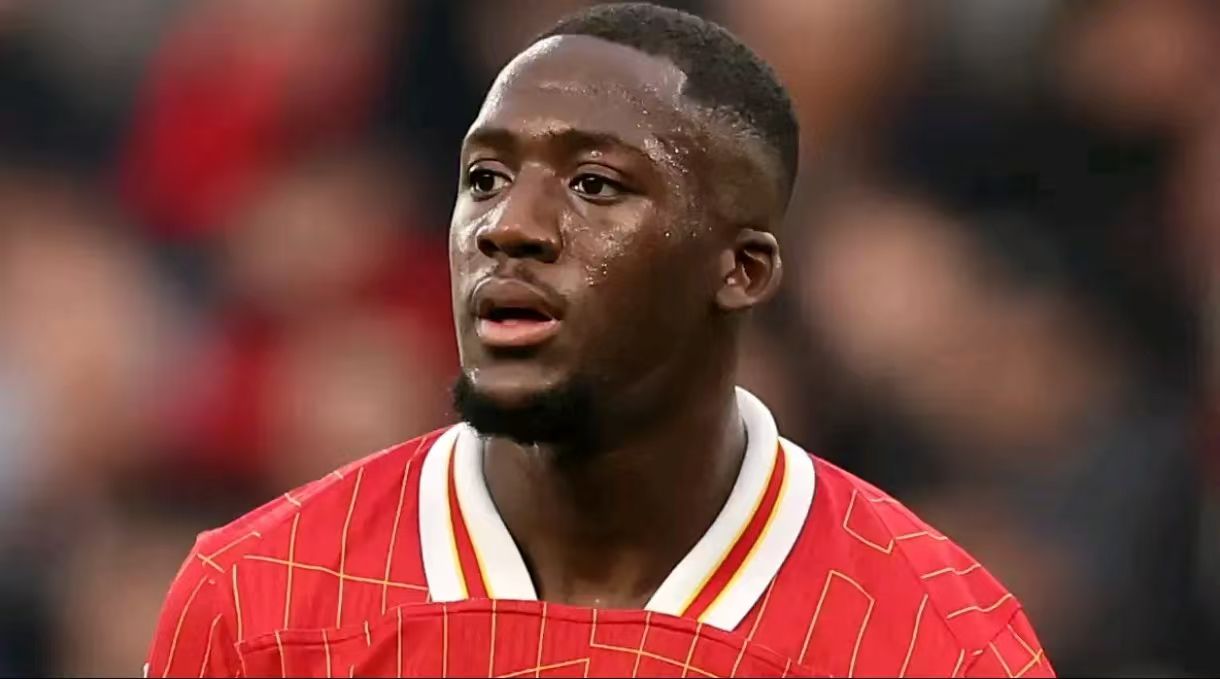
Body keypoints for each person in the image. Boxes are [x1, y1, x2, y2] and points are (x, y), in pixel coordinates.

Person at [146, 4, 1054, 677]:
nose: (508, 226)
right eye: (485, 177)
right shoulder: (257, 601)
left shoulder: (940, 643)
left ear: (741, 269)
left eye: (594, 184)